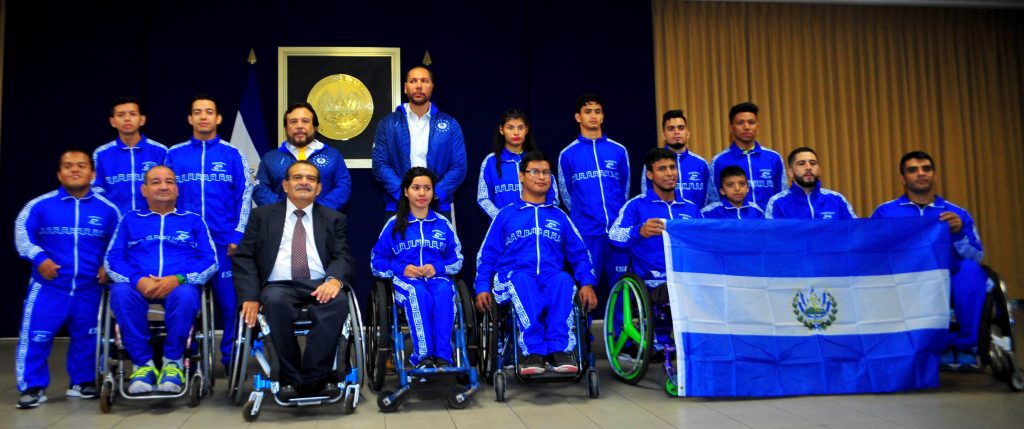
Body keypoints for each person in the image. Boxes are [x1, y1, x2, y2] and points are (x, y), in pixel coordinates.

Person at [234, 160, 354, 399]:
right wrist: (250, 296)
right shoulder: (262, 216)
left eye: (311, 179)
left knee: (337, 301)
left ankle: (314, 376)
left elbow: (342, 255)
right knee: (275, 302)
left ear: (319, 188)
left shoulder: (333, 218)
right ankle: (289, 378)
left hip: (319, 283)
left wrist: (333, 280)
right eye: (298, 177)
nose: (304, 182)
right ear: (285, 185)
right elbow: (244, 258)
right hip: (278, 285)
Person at [14, 150, 121, 409]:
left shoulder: (108, 210)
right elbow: (22, 236)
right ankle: (32, 387)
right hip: (49, 287)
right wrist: (40, 259)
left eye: (81, 166)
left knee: (88, 338)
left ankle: (82, 382)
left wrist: (107, 265)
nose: (75, 170)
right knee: (37, 337)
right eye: (68, 166)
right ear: (59, 174)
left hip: (90, 288)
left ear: (92, 174)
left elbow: (118, 243)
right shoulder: (39, 205)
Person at [476, 151, 598, 375]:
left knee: (564, 279)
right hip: (513, 277)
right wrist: (482, 287)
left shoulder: (559, 216)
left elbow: (580, 255)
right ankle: (534, 352)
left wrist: (587, 284)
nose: (542, 177)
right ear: (521, 176)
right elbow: (487, 256)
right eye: (535, 172)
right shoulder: (506, 215)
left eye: (546, 173)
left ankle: (559, 350)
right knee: (523, 281)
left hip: (550, 277)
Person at [104, 165, 218, 394]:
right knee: (120, 292)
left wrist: (178, 279)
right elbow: (112, 259)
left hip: (178, 286)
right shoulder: (129, 220)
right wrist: (138, 280)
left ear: (177, 189)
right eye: (156, 182)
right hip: (137, 286)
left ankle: (172, 362)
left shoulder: (194, 221)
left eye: (169, 182)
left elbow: (210, 260)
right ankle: (143, 365)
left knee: (187, 294)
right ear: (144, 190)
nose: (164, 186)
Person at [871, 151, 986, 368]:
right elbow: (872, 253)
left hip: (948, 277)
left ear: (934, 175)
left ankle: (966, 345)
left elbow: (977, 256)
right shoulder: (885, 212)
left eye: (926, 169)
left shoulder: (957, 213)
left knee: (970, 269)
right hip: (904, 278)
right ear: (903, 178)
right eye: (913, 170)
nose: (921, 174)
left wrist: (959, 233)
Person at [165, 94, 253, 372]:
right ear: (190, 118)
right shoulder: (173, 155)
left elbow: (245, 196)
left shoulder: (232, 154)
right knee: (185, 302)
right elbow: (163, 197)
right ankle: (187, 359)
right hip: (186, 245)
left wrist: (237, 235)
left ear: (218, 118)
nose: (203, 116)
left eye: (209, 112)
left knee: (231, 304)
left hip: (224, 244)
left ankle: (230, 360)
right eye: (197, 112)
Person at [371, 167, 463, 368]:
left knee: (444, 290)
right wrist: (400, 268)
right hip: (405, 281)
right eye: (416, 188)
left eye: (427, 188)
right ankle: (423, 356)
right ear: (406, 191)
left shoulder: (443, 224)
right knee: (417, 291)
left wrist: (437, 267)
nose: (422, 193)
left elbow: (457, 260)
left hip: (437, 279)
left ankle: (443, 356)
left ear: (433, 192)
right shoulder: (394, 225)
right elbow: (376, 262)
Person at [557, 93, 630, 292]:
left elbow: (624, 189)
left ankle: (619, 316)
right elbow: (567, 194)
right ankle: (585, 315)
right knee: (587, 289)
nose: (593, 116)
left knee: (621, 288)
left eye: (597, 111)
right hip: (587, 232)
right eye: (588, 111)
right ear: (578, 117)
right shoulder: (567, 154)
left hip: (616, 230)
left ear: (603, 116)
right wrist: (585, 216)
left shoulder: (619, 150)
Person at [372, 66, 466, 219]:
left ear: (432, 87)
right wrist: (403, 193)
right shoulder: (388, 123)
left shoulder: (450, 124)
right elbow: (380, 165)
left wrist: (435, 193)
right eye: (413, 81)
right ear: (405, 87)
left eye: (424, 81)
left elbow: (459, 166)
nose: (419, 86)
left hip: (438, 205)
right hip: (398, 204)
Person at [610, 148, 700, 287]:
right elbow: (614, 235)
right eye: (662, 169)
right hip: (653, 283)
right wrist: (639, 231)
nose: (669, 173)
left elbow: (705, 241)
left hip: (689, 282)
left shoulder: (691, 208)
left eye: (672, 167)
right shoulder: (636, 205)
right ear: (650, 175)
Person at [253, 102, 352, 211]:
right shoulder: (270, 158)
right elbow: (260, 189)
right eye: (293, 121)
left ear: (315, 127)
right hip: (280, 220)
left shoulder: (333, 155)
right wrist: (284, 212)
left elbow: (344, 187)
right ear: (286, 127)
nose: (299, 126)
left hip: (324, 219)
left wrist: (319, 212)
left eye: (305, 121)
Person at [92, 96, 169, 214]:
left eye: (133, 114)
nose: (127, 119)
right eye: (121, 115)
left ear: (142, 120)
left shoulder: (161, 151)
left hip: (152, 219)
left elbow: (168, 188)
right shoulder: (101, 154)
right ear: (112, 122)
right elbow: (96, 189)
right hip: (115, 221)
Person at [477, 108, 557, 219]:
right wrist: (503, 219)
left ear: (526, 130)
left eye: (520, 128)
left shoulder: (537, 160)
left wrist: (538, 217)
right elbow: (483, 198)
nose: (516, 132)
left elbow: (553, 196)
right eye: (510, 128)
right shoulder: (490, 161)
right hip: (504, 226)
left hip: (536, 224)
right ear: (501, 130)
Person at [707, 102, 786, 209]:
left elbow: (782, 197)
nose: (746, 127)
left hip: (767, 219)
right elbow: (714, 200)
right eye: (740, 122)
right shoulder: (719, 161)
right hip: (733, 219)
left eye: (751, 122)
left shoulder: (774, 158)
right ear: (731, 127)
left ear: (757, 126)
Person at [640, 110, 709, 206]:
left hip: (695, 215)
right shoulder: (653, 161)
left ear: (687, 133)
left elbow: (709, 200)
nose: (676, 132)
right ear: (663, 135)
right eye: (671, 129)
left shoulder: (701, 164)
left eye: (681, 128)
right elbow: (646, 196)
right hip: (662, 215)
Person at [765, 147, 856, 219]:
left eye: (813, 163)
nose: (808, 167)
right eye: (801, 163)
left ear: (819, 170)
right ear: (791, 172)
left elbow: (855, 230)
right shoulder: (777, 203)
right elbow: (772, 235)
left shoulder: (837, 200)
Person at [700, 166, 765, 219]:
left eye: (742, 184)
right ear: (722, 191)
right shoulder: (709, 213)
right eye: (730, 185)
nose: (737, 189)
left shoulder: (757, 211)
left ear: (747, 188)